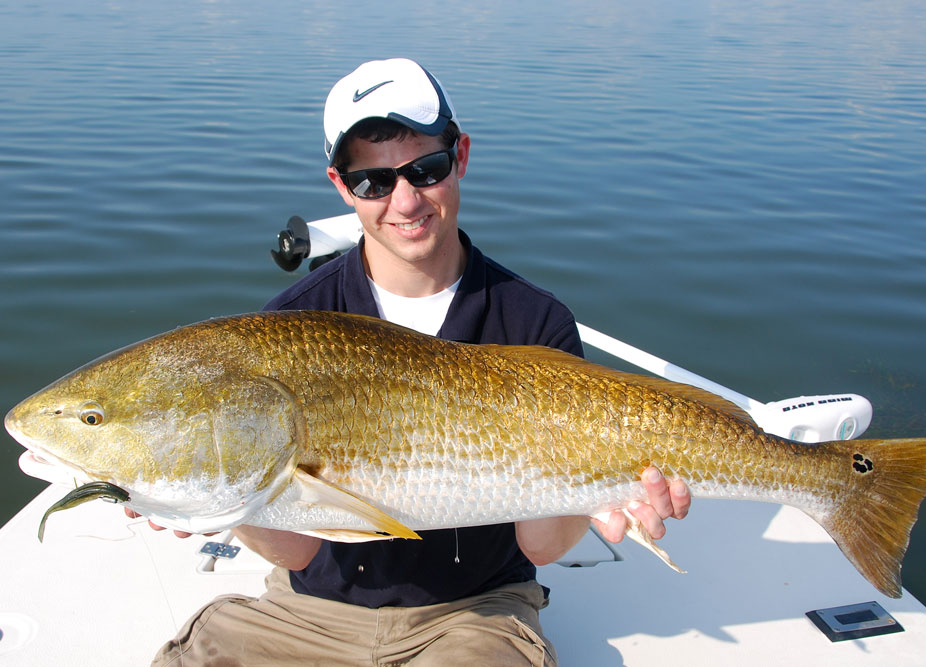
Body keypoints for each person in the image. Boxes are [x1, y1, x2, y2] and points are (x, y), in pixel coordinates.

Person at [147, 58, 690, 666]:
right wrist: (216, 500)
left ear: (459, 157)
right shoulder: (291, 327)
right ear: (340, 185)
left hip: (476, 615)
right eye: (372, 183)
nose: (404, 200)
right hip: (307, 614)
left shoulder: (533, 322)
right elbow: (299, 555)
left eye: (424, 170)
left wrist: (604, 492)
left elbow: (540, 546)